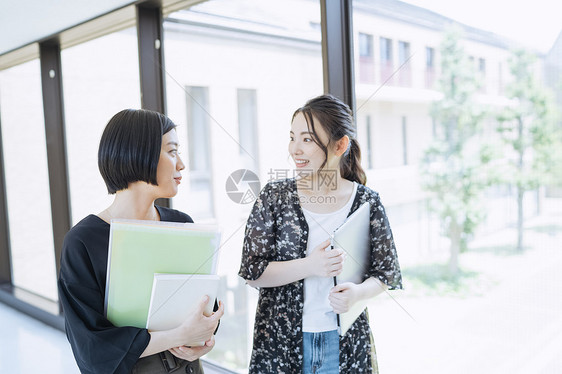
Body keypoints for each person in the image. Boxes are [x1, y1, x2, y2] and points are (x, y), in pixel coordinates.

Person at [239, 94, 402, 373]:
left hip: (344, 343)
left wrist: (358, 293)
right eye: (293, 137)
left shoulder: (366, 202)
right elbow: (252, 273)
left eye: (307, 139)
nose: (295, 149)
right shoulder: (274, 197)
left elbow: (386, 273)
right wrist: (309, 266)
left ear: (340, 145)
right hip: (280, 343)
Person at [58, 109, 224, 374]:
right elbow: (92, 347)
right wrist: (178, 335)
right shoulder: (83, 241)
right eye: (171, 151)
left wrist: (203, 339)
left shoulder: (181, 224)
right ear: (139, 153)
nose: (181, 164)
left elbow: (204, 306)